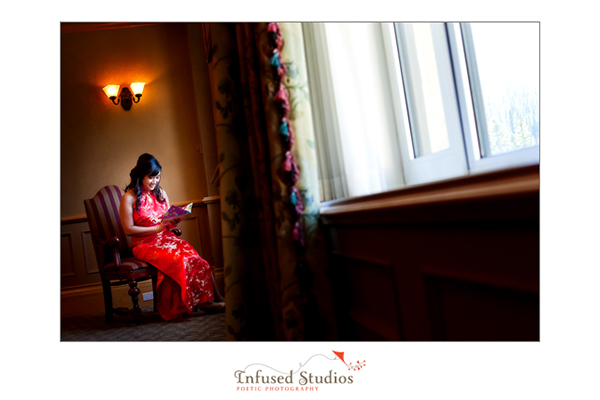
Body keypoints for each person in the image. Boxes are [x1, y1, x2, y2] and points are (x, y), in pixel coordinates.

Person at [119, 153, 224, 321]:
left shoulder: (161, 194)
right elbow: (128, 230)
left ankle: (210, 299)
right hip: (144, 244)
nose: (154, 181)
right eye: (150, 177)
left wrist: (172, 222)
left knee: (195, 258)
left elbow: (165, 220)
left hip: (166, 238)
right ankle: (199, 303)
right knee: (179, 260)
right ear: (141, 175)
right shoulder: (129, 197)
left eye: (157, 177)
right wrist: (157, 227)